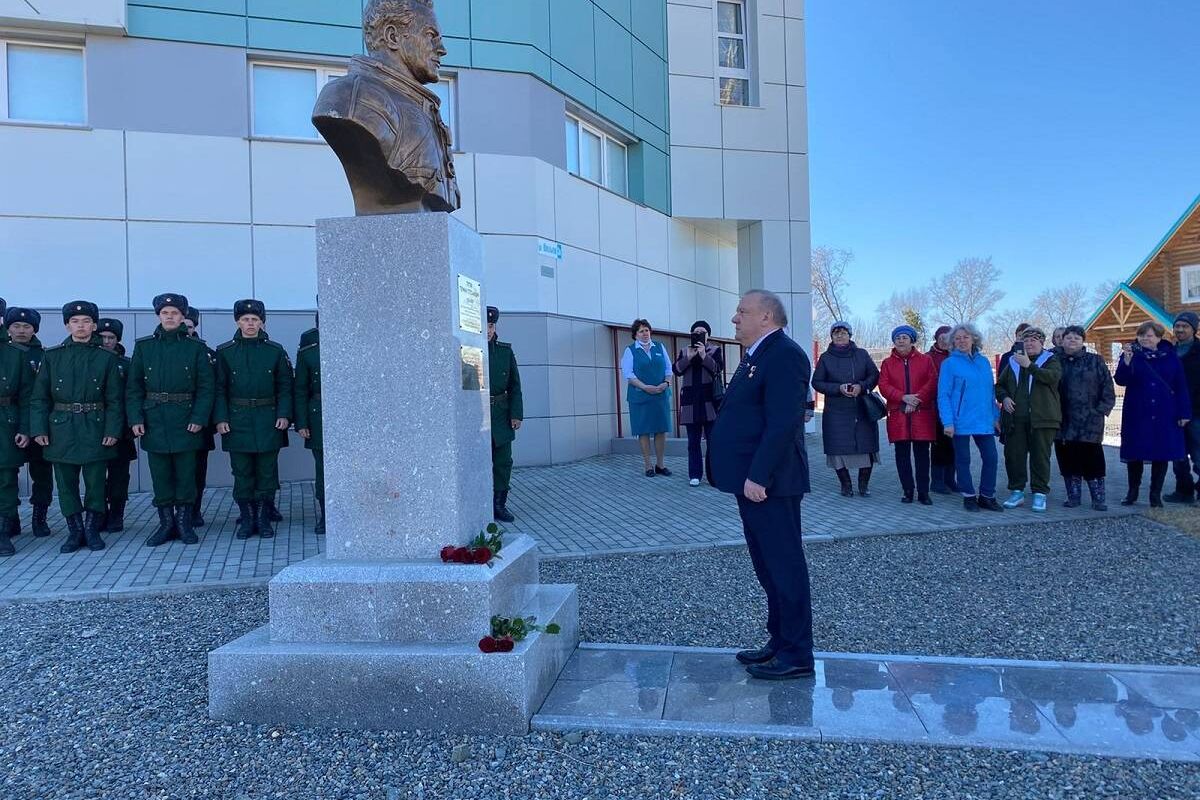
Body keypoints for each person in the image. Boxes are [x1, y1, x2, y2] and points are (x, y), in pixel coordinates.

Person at [709, 290, 813, 679]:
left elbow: (784, 422)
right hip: (753, 481)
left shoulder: (785, 355)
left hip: (770, 483)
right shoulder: (759, 354)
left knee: (784, 566)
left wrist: (759, 475)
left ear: (766, 317)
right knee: (767, 565)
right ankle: (780, 641)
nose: (735, 318)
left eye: (742, 311)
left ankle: (798, 653)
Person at [29, 301, 124, 553]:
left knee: (95, 483)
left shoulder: (106, 358)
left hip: (95, 427)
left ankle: (92, 530)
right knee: (66, 484)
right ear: (66, 324)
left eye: (85, 321)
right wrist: (38, 429)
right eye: (75, 321)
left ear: (93, 325)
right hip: (61, 429)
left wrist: (112, 430)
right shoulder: (52, 356)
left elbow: (115, 400)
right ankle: (75, 531)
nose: (80, 326)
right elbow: (39, 398)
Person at [128, 294, 215, 548]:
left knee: (187, 476)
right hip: (154, 420)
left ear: (182, 317)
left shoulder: (196, 348)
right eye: (165, 313)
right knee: (161, 476)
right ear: (158, 316)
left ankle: (184, 523)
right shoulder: (144, 347)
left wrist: (199, 418)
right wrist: (136, 418)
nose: (170, 317)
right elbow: (133, 388)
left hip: (186, 420)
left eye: (175, 313)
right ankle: (166, 524)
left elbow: (206, 388)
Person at [214, 299, 293, 539]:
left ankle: (262, 518)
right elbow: (218, 389)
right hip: (237, 421)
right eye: (246, 319)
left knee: (267, 472)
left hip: (268, 419)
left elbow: (285, 387)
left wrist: (284, 414)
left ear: (262, 322)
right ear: (237, 321)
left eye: (255, 320)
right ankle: (247, 519)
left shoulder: (275, 351)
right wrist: (221, 418)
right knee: (242, 472)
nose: (250, 323)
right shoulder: (225, 352)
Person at [1115, 321, 1191, 507]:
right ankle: (1132, 492)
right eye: (1141, 335)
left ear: (1158, 337)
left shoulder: (1171, 357)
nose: (1144, 339)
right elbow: (1121, 380)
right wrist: (1126, 361)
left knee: (1161, 453)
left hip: (1165, 412)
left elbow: (1180, 386)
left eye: (1149, 335)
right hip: (1138, 412)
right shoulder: (1131, 355)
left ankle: (1154, 495)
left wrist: (1184, 412)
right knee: (1135, 453)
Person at [937, 323, 1002, 512]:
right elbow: (944, 394)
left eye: (965, 337)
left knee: (991, 458)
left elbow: (989, 393)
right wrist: (947, 421)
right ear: (952, 343)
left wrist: (995, 416)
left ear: (974, 339)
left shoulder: (983, 363)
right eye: (957, 338)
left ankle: (987, 496)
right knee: (963, 460)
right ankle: (969, 496)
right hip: (960, 421)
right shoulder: (949, 364)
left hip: (984, 419)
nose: (961, 341)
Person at [995, 327, 1062, 512]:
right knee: (1014, 456)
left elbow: (1052, 378)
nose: (1030, 343)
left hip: (1043, 418)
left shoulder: (1051, 360)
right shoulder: (1013, 361)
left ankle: (1040, 493)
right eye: (1026, 340)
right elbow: (1000, 386)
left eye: (1034, 340)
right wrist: (1004, 398)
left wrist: (1029, 365)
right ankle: (1017, 491)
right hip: (1016, 420)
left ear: (1041, 343)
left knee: (1040, 457)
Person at [811, 321, 880, 497]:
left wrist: (861, 386)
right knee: (837, 449)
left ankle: (863, 485)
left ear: (850, 335)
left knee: (866, 447)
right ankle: (846, 485)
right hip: (836, 411)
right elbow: (817, 382)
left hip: (862, 409)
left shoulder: (862, 355)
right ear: (832, 337)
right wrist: (838, 388)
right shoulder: (825, 358)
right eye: (836, 333)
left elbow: (874, 375)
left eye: (843, 333)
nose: (840, 336)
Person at [1055, 325, 1116, 510]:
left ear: (1083, 341)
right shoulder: (1054, 360)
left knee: (1093, 460)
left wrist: (1101, 410)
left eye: (1076, 337)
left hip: (1090, 420)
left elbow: (1107, 387)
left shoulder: (1095, 361)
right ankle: (1073, 496)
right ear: (1062, 340)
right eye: (1068, 337)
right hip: (1063, 420)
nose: (1072, 340)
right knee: (1068, 459)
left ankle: (1098, 498)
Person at [5, 307, 52, 537]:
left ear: (35, 329)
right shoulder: (6, 352)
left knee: (42, 473)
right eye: (16, 326)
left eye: (26, 326)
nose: (21, 330)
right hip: (12, 423)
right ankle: (11, 518)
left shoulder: (44, 355)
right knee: (9, 471)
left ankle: (39, 518)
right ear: (8, 327)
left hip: (40, 423)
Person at [878, 325, 937, 504]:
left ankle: (924, 492)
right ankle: (908, 490)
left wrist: (916, 399)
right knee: (901, 455)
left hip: (922, 414)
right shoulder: (888, 363)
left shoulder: (925, 360)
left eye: (905, 337)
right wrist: (903, 397)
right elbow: (884, 385)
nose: (901, 340)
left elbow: (932, 381)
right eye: (898, 338)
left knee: (922, 456)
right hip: (899, 414)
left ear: (912, 340)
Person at [95, 318, 137, 533]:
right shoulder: (91, 361)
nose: (106, 341)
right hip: (94, 428)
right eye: (102, 337)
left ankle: (117, 514)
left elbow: (133, 396)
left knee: (119, 475)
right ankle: (98, 513)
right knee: (96, 474)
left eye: (111, 338)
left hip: (121, 430)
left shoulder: (127, 365)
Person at [673, 320, 725, 486]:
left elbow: (717, 369)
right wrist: (688, 358)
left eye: (703, 331)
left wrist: (703, 355)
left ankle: (714, 475)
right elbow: (677, 370)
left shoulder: (715, 350)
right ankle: (694, 474)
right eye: (696, 331)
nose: (699, 334)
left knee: (713, 441)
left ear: (708, 334)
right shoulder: (684, 351)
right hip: (690, 401)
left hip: (710, 400)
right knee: (693, 441)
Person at [621, 319, 673, 477]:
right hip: (640, 396)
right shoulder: (630, 351)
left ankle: (660, 464)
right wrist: (645, 387)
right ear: (635, 335)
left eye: (647, 330)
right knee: (643, 430)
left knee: (661, 430)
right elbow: (628, 374)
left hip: (660, 395)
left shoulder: (659, 347)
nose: (645, 333)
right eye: (641, 331)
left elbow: (668, 368)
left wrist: (666, 383)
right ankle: (648, 465)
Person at [487, 306, 523, 522]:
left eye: (491, 325)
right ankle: (478, 503)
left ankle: (499, 505)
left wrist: (515, 414)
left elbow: (515, 385)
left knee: (502, 461)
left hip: (500, 414)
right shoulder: (465, 349)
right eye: (484, 325)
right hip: (474, 415)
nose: (488, 330)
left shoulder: (504, 351)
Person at [183, 307, 218, 526]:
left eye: (189, 326)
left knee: (197, 471)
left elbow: (214, 389)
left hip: (200, 423)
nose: (185, 329)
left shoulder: (207, 354)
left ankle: (194, 510)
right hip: (174, 421)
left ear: (195, 327)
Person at [0, 332, 34, 555]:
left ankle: (3, 531)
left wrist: (25, 428)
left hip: (6, 422)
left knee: (5, 479)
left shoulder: (16, 354)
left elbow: (27, 396)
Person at [1166, 311, 1200, 504]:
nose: (1180, 329)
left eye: (1184, 326)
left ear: (1193, 329)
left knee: (1198, 453)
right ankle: (1184, 490)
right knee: (1178, 455)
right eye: (1177, 326)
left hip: (1197, 412)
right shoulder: (1169, 352)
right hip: (1173, 412)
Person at [294, 321, 325, 533]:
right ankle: (326, 515)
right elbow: (300, 390)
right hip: (318, 416)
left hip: (351, 419)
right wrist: (302, 422)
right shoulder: (309, 354)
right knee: (323, 469)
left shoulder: (355, 348)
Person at [926, 325, 958, 494]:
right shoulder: (929, 358)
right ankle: (937, 481)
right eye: (941, 338)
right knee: (940, 445)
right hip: (936, 408)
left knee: (954, 445)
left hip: (956, 408)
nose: (945, 341)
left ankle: (950, 479)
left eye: (948, 338)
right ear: (937, 339)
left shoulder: (957, 356)